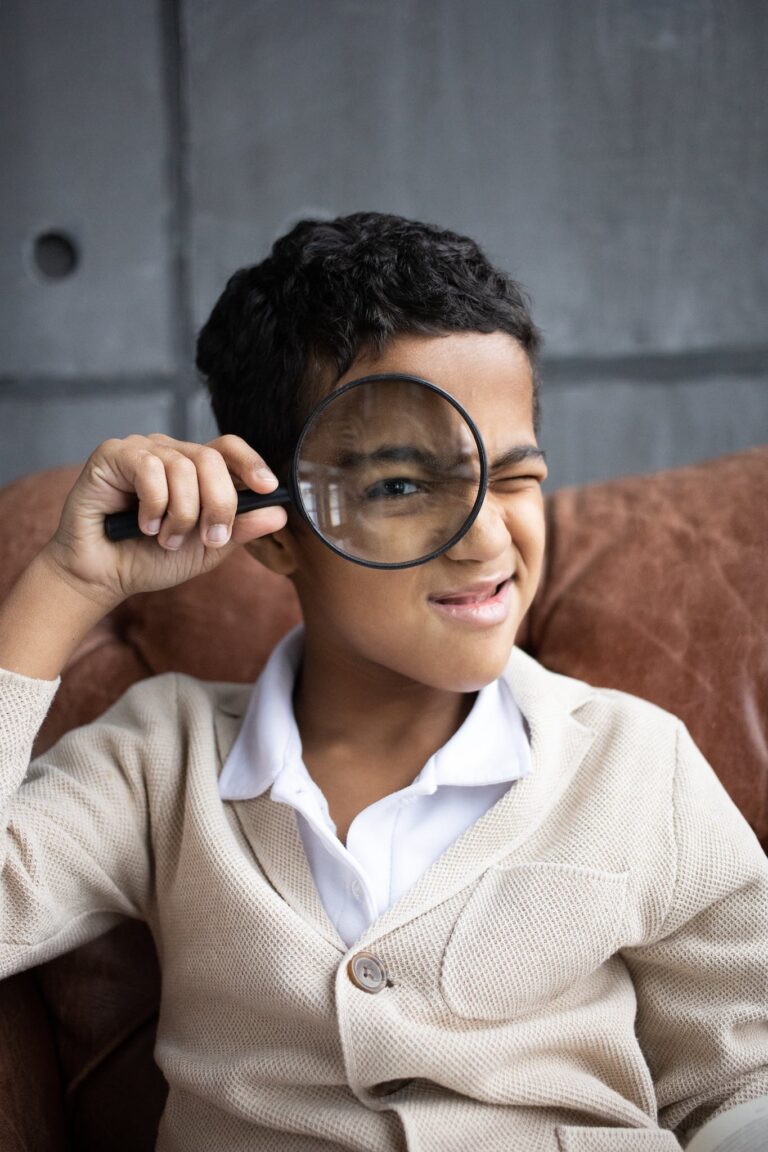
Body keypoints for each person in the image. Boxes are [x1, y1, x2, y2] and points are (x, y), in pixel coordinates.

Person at [0, 213, 766, 1152]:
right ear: (274, 525)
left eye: (514, 477)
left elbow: (746, 1078)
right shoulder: (161, 759)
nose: (488, 539)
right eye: (401, 488)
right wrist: (62, 588)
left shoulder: (638, 764)